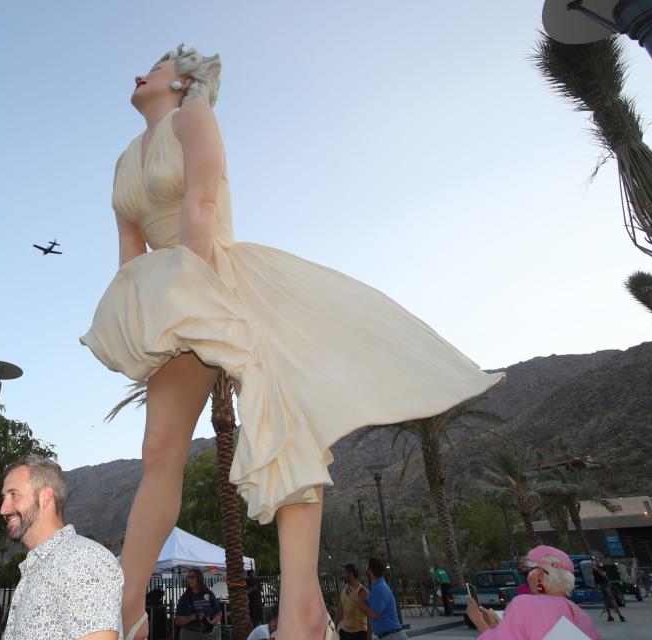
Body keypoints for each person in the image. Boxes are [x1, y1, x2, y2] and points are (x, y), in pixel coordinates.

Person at [80, 43, 504, 640]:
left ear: (183, 81)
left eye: (154, 66)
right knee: (159, 449)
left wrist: (195, 292)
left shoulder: (194, 116)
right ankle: (125, 605)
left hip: (217, 277)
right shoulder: (124, 160)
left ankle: (302, 607)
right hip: (166, 293)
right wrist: (139, 324)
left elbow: (201, 204)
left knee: (281, 419)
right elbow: (129, 254)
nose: (138, 72)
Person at [0, 457, 122, 640]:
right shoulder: (40, 567)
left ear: (45, 496)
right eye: (4, 497)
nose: (3, 509)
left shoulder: (82, 560)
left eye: (14, 494)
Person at [467, 545, 599, 639]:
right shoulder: (580, 614)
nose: (525, 577)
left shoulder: (524, 604)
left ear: (540, 575)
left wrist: (478, 620)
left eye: (526, 572)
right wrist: (497, 627)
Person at [348, 558, 405, 639]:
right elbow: (367, 608)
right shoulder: (375, 588)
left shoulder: (379, 589)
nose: (365, 569)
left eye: (366, 567)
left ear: (370, 571)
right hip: (389, 636)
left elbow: (373, 614)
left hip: (392, 636)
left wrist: (357, 600)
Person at [174, 569, 223, 639]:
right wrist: (193, 617)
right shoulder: (185, 597)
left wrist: (211, 623)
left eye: (192, 577)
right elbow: (177, 621)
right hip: (189, 634)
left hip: (207, 634)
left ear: (199, 579)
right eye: (188, 577)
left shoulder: (208, 593)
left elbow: (219, 613)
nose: (189, 580)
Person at [334, 564, 369, 640]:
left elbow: (369, 615)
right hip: (345, 633)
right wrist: (334, 627)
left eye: (344, 572)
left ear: (350, 573)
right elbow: (339, 611)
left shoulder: (362, 591)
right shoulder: (344, 591)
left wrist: (369, 637)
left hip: (359, 633)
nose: (342, 575)